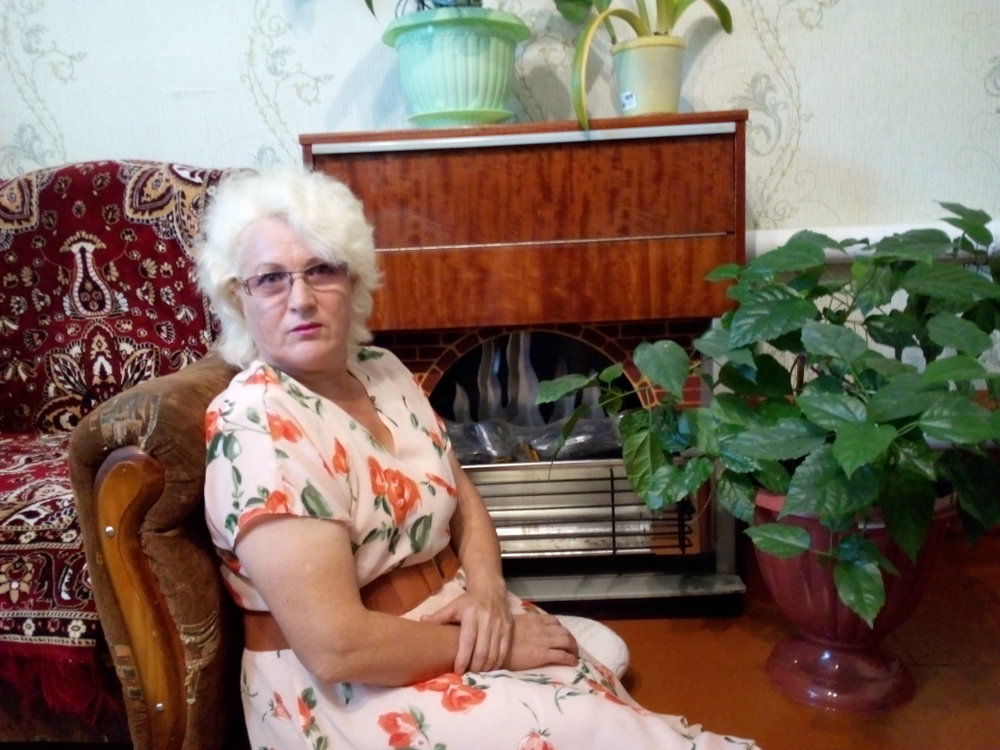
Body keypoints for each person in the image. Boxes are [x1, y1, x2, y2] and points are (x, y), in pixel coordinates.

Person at [197, 167, 762, 750]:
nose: (300, 298)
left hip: (451, 615)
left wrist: (489, 594)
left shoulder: (382, 371)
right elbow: (337, 648)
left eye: (321, 269)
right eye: (270, 279)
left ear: (353, 278)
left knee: (597, 696)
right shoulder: (259, 426)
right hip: (350, 688)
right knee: (590, 725)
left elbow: (462, 497)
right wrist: (505, 646)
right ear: (239, 297)